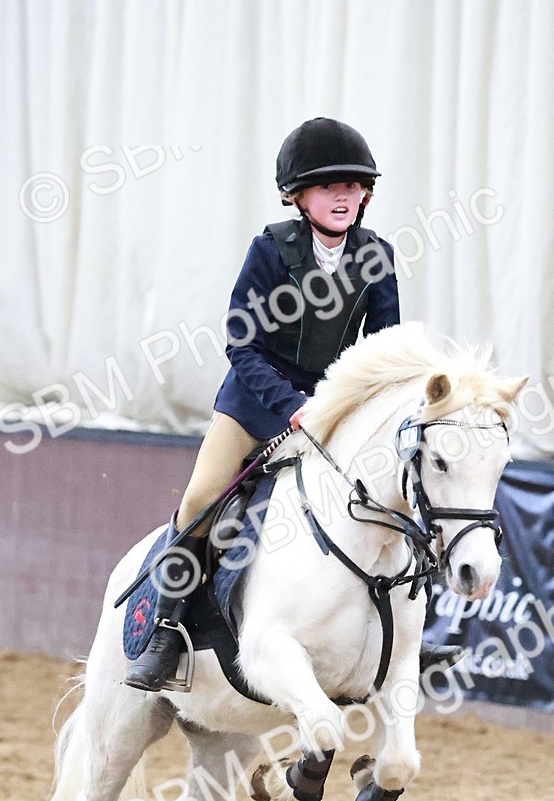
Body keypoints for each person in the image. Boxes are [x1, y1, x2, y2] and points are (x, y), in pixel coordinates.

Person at [124, 116, 400, 692]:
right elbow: (240, 343)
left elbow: (384, 350)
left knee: (394, 492)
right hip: (254, 405)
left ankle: (400, 634)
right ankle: (166, 633)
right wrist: (291, 403)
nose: (344, 196)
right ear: (298, 197)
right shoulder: (271, 250)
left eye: (353, 186)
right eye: (329, 187)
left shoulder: (379, 256)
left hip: (329, 415)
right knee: (201, 501)